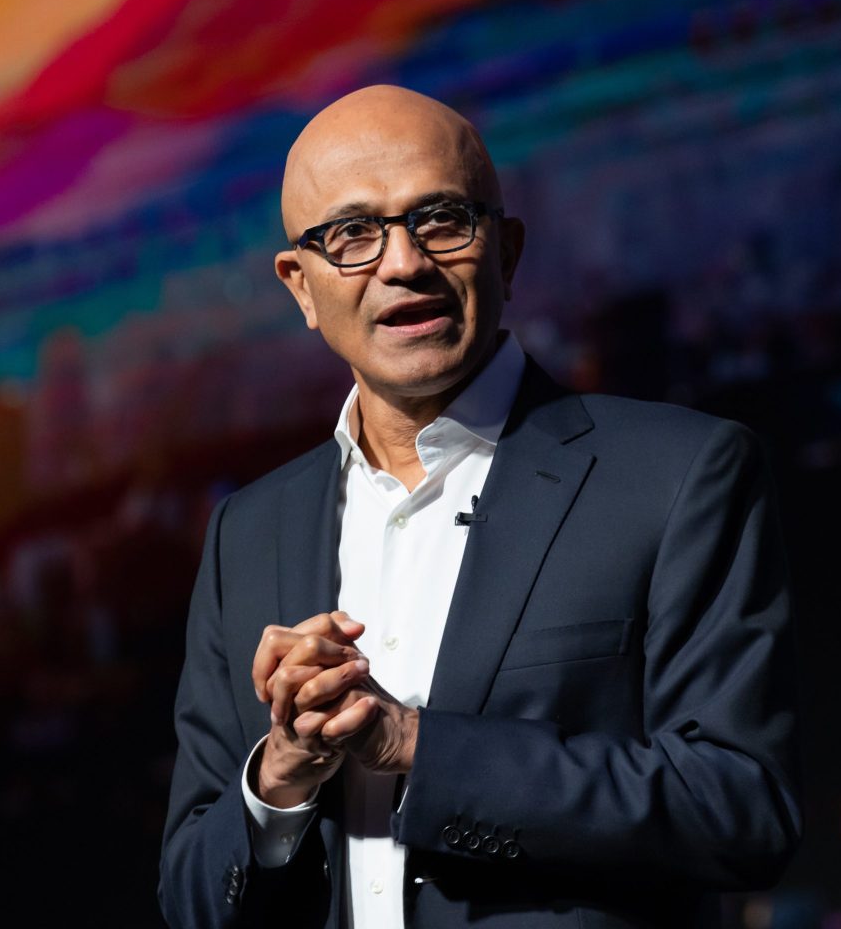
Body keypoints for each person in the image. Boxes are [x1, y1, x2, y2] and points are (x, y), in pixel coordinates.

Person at [158, 85, 801, 929]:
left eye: (441, 220)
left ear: (506, 253)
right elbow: (191, 900)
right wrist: (278, 777)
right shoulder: (250, 532)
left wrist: (415, 749)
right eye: (352, 234)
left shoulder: (677, 475)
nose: (402, 263)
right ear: (301, 287)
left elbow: (741, 811)